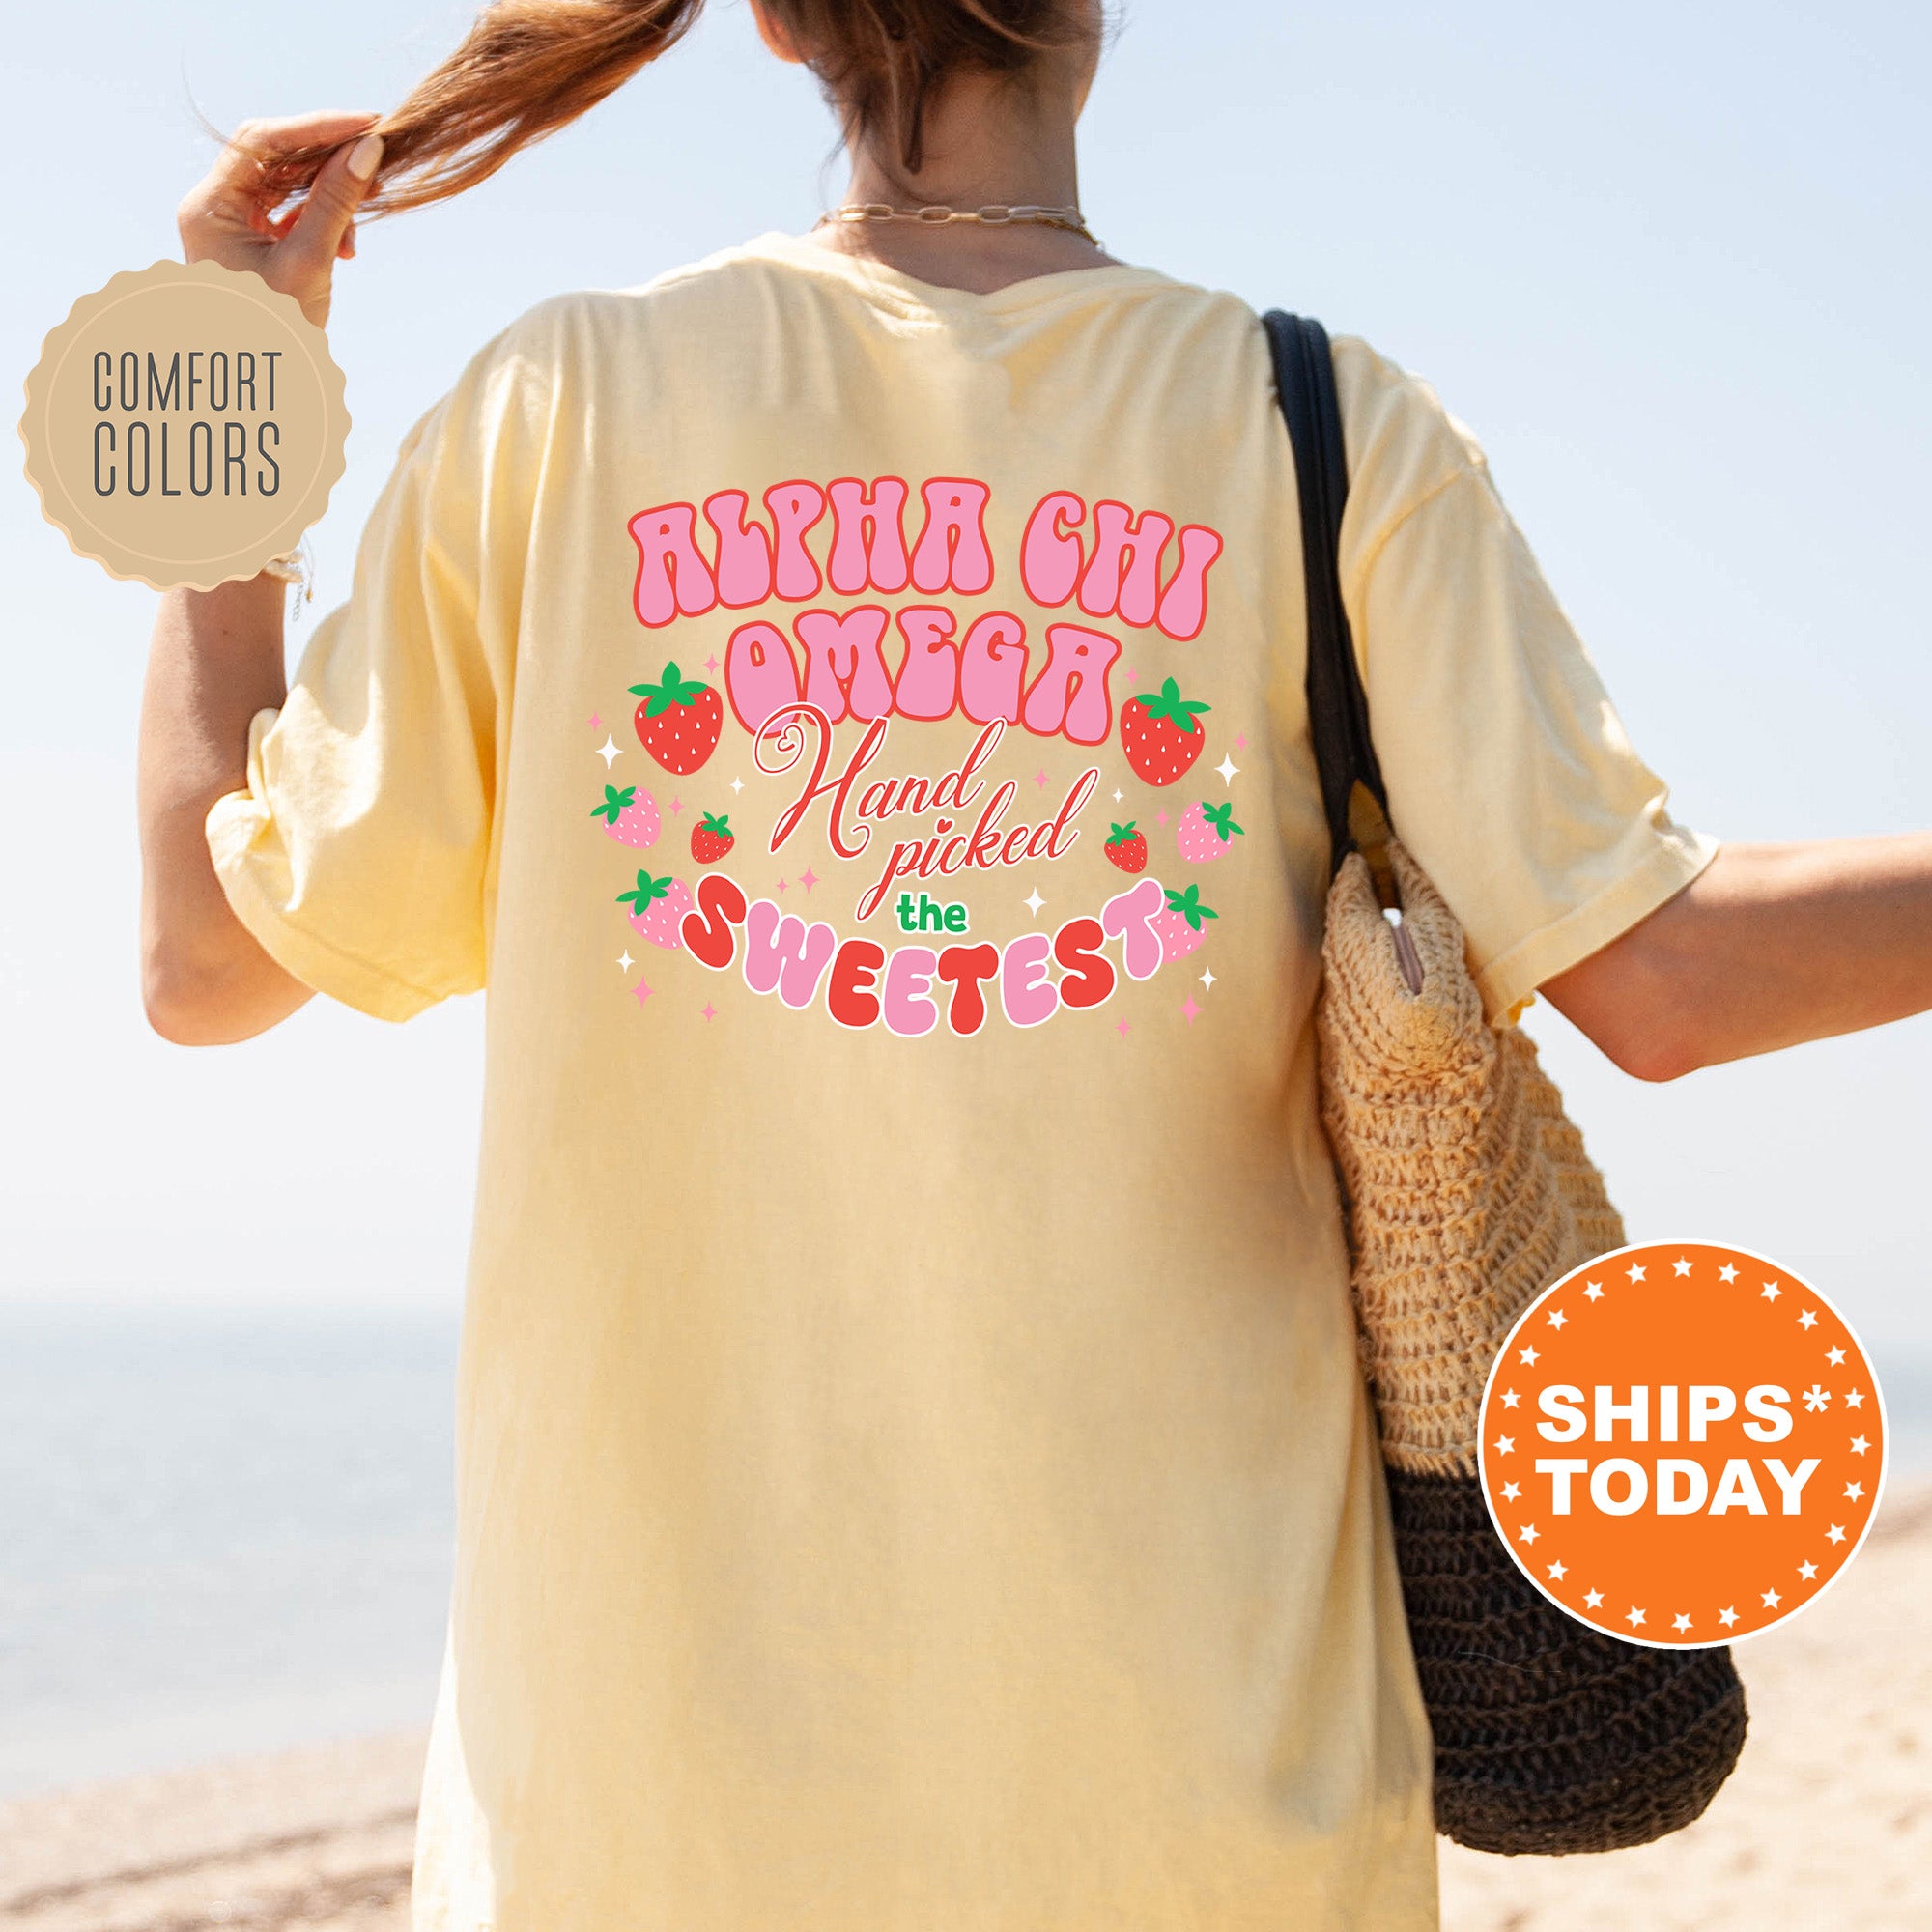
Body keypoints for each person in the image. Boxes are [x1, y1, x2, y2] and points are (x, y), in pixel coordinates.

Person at [139, 3, 1932, 1927]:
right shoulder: (1318, 432)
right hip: (1207, 1802)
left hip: (638, 1823)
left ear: (774, 24)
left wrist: (231, 373)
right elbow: (1664, 981)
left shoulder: (558, 406)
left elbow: (205, 966)